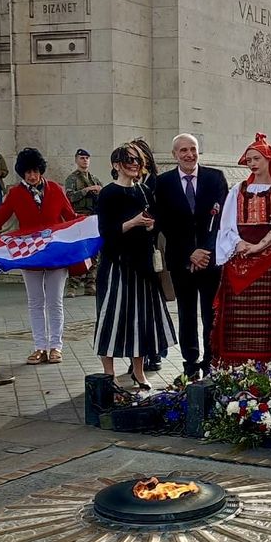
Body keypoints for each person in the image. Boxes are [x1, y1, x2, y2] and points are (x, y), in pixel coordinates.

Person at [0, 147, 76, 364]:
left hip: (56, 255)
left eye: (35, 170)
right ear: (22, 172)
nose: (32, 175)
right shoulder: (15, 194)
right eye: (28, 172)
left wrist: (92, 226)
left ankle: (55, 346)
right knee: (35, 302)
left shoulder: (56, 189)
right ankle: (39, 346)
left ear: (41, 170)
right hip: (29, 255)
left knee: (55, 302)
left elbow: (71, 218)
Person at [94, 144, 176, 389]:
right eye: (129, 160)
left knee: (140, 320)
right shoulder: (108, 193)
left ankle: (138, 372)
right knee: (112, 318)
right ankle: (109, 374)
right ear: (116, 165)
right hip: (117, 265)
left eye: (138, 160)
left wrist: (151, 226)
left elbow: (155, 224)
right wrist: (133, 222)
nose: (134, 164)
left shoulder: (143, 190)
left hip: (142, 266)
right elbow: (106, 232)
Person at [212, 133, 271, 366]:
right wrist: (239, 244)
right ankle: (236, 366)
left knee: (268, 314)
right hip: (240, 256)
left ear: (269, 159)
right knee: (236, 316)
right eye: (249, 159)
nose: (252, 163)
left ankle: (269, 365)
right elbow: (226, 223)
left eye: (257, 158)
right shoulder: (238, 189)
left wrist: (260, 245)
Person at [153, 134, 228, 381]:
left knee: (210, 313)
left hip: (210, 259)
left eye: (193, 149)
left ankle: (210, 359)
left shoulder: (214, 178)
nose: (189, 154)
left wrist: (204, 251)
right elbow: (163, 222)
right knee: (186, 313)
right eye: (183, 150)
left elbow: (222, 219)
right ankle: (190, 361)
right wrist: (189, 253)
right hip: (181, 260)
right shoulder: (163, 183)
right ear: (175, 154)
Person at [130, 138, 162, 371]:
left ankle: (156, 351)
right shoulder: (128, 185)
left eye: (136, 158)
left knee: (153, 304)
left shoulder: (156, 183)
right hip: (132, 253)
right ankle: (139, 355)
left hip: (153, 248)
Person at [64, 148, 102, 296]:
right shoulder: (72, 179)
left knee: (93, 252)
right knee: (78, 252)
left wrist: (99, 191)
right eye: (81, 158)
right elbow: (69, 198)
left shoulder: (95, 179)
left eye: (87, 158)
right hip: (79, 217)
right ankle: (72, 285)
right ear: (76, 160)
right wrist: (87, 190)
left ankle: (90, 284)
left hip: (93, 218)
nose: (85, 160)